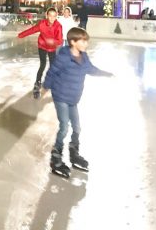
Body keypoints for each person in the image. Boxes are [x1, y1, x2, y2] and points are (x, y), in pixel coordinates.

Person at [41, 27, 113, 178]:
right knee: (64, 127)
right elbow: (52, 71)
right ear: (73, 42)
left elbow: (91, 69)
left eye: (86, 40)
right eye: (83, 41)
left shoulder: (84, 56)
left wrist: (106, 74)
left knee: (77, 128)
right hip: (61, 95)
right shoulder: (64, 57)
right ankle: (56, 157)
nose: (86, 43)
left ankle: (74, 153)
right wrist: (45, 87)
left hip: (73, 97)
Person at [18, 7, 64, 98]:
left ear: (56, 16)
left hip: (52, 48)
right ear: (47, 15)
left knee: (53, 65)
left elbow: (60, 40)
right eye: (50, 16)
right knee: (42, 64)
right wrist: (21, 35)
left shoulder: (58, 26)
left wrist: (52, 42)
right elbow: (32, 30)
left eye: (54, 16)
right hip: (42, 46)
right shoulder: (42, 24)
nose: (52, 18)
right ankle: (37, 83)